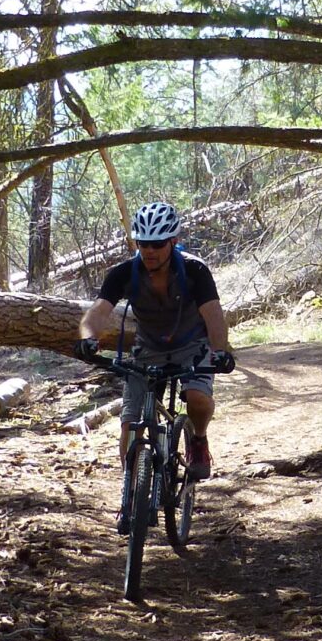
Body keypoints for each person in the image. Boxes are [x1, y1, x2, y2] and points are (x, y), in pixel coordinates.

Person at [78, 202, 234, 512]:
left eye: (158, 244)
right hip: (148, 349)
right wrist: (88, 339)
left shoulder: (194, 270)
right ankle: (131, 493)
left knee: (197, 399)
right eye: (143, 243)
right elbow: (96, 314)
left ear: (173, 241)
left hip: (193, 344)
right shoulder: (123, 273)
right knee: (130, 424)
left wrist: (221, 351)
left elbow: (214, 316)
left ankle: (198, 440)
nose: (150, 251)